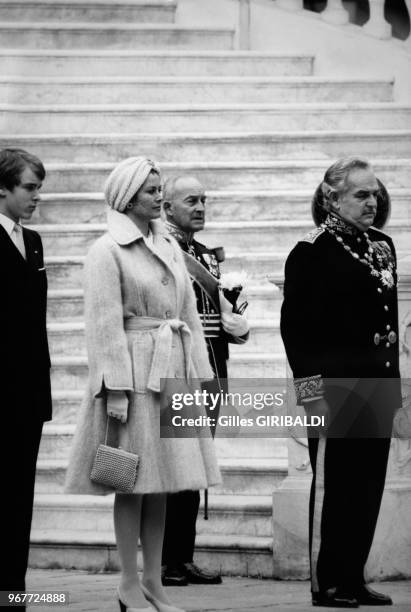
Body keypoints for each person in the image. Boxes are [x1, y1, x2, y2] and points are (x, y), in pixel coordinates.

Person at [65, 157, 220, 612]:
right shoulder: (106, 250)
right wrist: (113, 387)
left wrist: (199, 376)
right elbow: (103, 325)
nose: (159, 196)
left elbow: (187, 314)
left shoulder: (169, 246)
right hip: (132, 376)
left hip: (171, 371)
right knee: (131, 482)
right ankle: (128, 583)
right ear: (129, 196)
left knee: (164, 484)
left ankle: (154, 580)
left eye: (159, 189)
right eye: (152, 190)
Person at [280, 156, 401, 608]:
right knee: (335, 487)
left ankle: (353, 576)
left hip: (377, 386)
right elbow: (297, 332)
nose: (373, 202)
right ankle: (326, 581)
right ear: (332, 198)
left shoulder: (383, 246)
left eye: (375, 194)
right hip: (333, 390)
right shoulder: (311, 251)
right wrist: (310, 396)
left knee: (367, 485)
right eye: (361, 195)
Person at [161, 175, 249, 587]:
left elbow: (219, 314)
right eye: (191, 200)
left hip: (213, 368)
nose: (200, 207)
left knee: (196, 467)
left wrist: (237, 323)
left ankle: (183, 556)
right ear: (167, 207)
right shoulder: (162, 248)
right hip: (180, 368)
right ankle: (165, 560)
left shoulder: (206, 254)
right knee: (176, 467)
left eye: (204, 200)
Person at [0, 148, 52, 609]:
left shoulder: (33, 241)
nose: (37, 197)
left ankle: (12, 591)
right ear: (3, 188)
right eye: (29, 188)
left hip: (28, 392)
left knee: (20, 497)